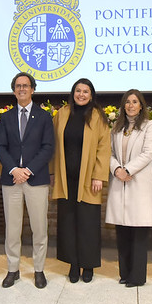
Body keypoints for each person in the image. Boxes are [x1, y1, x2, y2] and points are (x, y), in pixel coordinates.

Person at [0, 72, 54, 289]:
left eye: (26, 86)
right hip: (11, 180)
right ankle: (13, 269)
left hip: (36, 179)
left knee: (39, 228)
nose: (22, 89)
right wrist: (14, 169)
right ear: (14, 91)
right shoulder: (6, 117)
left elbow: (48, 147)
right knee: (12, 228)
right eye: (18, 86)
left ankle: (39, 270)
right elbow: (0, 147)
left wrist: (27, 170)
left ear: (32, 89)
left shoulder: (44, 116)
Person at [51, 78, 110, 283]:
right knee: (67, 223)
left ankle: (89, 265)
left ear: (91, 95)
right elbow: (53, 145)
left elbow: (104, 148)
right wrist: (52, 173)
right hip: (66, 179)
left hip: (88, 181)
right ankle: (73, 264)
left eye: (85, 91)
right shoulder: (62, 114)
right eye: (78, 90)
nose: (81, 94)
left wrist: (98, 176)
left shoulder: (98, 117)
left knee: (88, 224)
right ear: (73, 93)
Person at [106, 89, 152, 287]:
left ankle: (137, 277)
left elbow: (148, 153)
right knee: (122, 231)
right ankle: (125, 273)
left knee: (138, 233)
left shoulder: (149, 126)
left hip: (138, 184)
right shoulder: (117, 127)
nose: (131, 105)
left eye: (135, 101)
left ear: (141, 105)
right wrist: (117, 169)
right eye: (127, 102)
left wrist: (127, 169)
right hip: (120, 182)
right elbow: (109, 153)